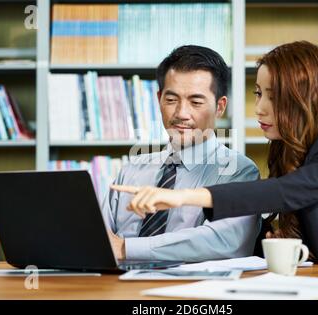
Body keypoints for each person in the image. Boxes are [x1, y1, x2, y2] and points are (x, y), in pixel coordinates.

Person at [112, 41, 318, 299]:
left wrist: (182, 197)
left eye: (274, 96)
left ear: (306, 99)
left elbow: (282, 193)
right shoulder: (285, 148)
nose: (260, 108)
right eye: (258, 94)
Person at [104, 45, 261, 262]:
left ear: (220, 107)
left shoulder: (239, 172)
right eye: (171, 100)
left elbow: (225, 242)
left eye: (195, 102)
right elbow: (101, 239)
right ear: (159, 99)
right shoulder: (133, 169)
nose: (181, 113)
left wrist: (126, 248)